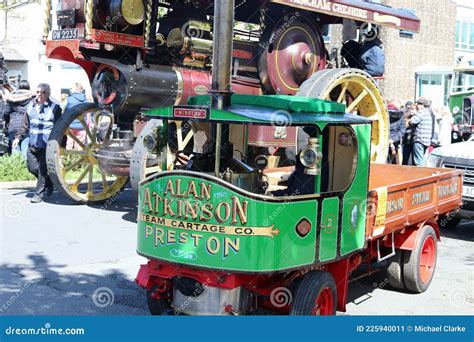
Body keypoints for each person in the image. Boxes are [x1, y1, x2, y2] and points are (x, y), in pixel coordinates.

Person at [13, 83, 62, 203]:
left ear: (48, 94)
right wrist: (17, 138)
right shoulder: (30, 106)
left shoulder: (55, 108)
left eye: (43, 92)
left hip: (47, 146)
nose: (40, 95)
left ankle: (38, 195)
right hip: (33, 145)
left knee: (42, 170)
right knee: (31, 167)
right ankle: (49, 182)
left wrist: (61, 144)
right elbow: (25, 124)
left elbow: (60, 127)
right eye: (38, 92)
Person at [2, 80, 34, 155]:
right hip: (26, 128)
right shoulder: (32, 99)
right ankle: (25, 166)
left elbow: (6, 113)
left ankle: (17, 166)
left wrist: (7, 124)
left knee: (15, 150)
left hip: (13, 127)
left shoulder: (11, 98)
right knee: (25, 150)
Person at [409, 97, 433, 166]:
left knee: (418, 162)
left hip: (419, 140)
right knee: (422, 159)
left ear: (422, 105)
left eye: (418, 104)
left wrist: (413, 115)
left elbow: (412, 121)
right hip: (426, 141)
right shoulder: (428, 113)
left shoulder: (421, 112)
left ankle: (421, 174)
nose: (417, 106)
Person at [65, 83, 88, 150]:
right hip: (82, 125)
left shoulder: (69, 99)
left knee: (69, 143)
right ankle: (78, 158)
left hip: (71, 125)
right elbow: (87, 113)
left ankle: (68, 159)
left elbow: (66, 112)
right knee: (80, 145)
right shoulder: (86, 100)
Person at [402, 101, 416, 165]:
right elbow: (405, 122)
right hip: (407, 140)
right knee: (405, 159)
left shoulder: (418, 116)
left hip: (413, 140)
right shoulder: (407, 114)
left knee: (414, 160)